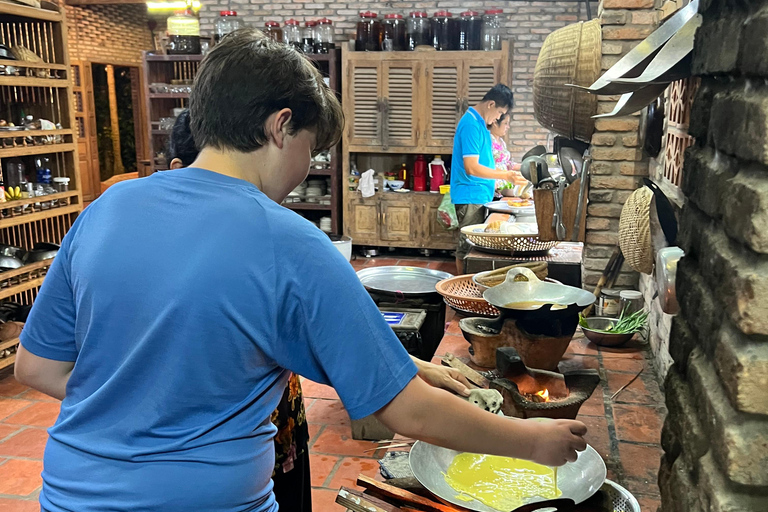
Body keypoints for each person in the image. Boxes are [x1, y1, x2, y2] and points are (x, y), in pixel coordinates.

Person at [14, 30, 587, 512]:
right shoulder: (287, 240)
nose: (303, 171)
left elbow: (36, 366)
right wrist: (532, 440)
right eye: (310, 152)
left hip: (68, 495)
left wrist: (148, 399)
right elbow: (403, 407)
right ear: (280, 126)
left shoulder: (107, 207)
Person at [166, 110, 474, 512]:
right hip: (224, 458)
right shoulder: (179, 263)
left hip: (279, 425)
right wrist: (535, 442)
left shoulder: (259, 247)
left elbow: (335, 342)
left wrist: (417, 366)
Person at [450, 84, 528, 273]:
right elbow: (471, 167)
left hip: (479, 195)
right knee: (466, 249)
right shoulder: (470, 124)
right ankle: (461, 290)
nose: (498, 118)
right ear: (490, 104)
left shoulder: (480, 124)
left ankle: (468, 286)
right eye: (499, 112)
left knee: (473, 247)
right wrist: (505, 175)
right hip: (470, 195)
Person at [489, 113, 527, 198]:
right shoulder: (488, 140)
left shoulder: (502, 142)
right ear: (495, 123)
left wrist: (524, 167)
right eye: (505, 123)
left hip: (504, 186)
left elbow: (505, 163)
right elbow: (486, 164)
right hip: (494, 186)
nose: (508, 127)